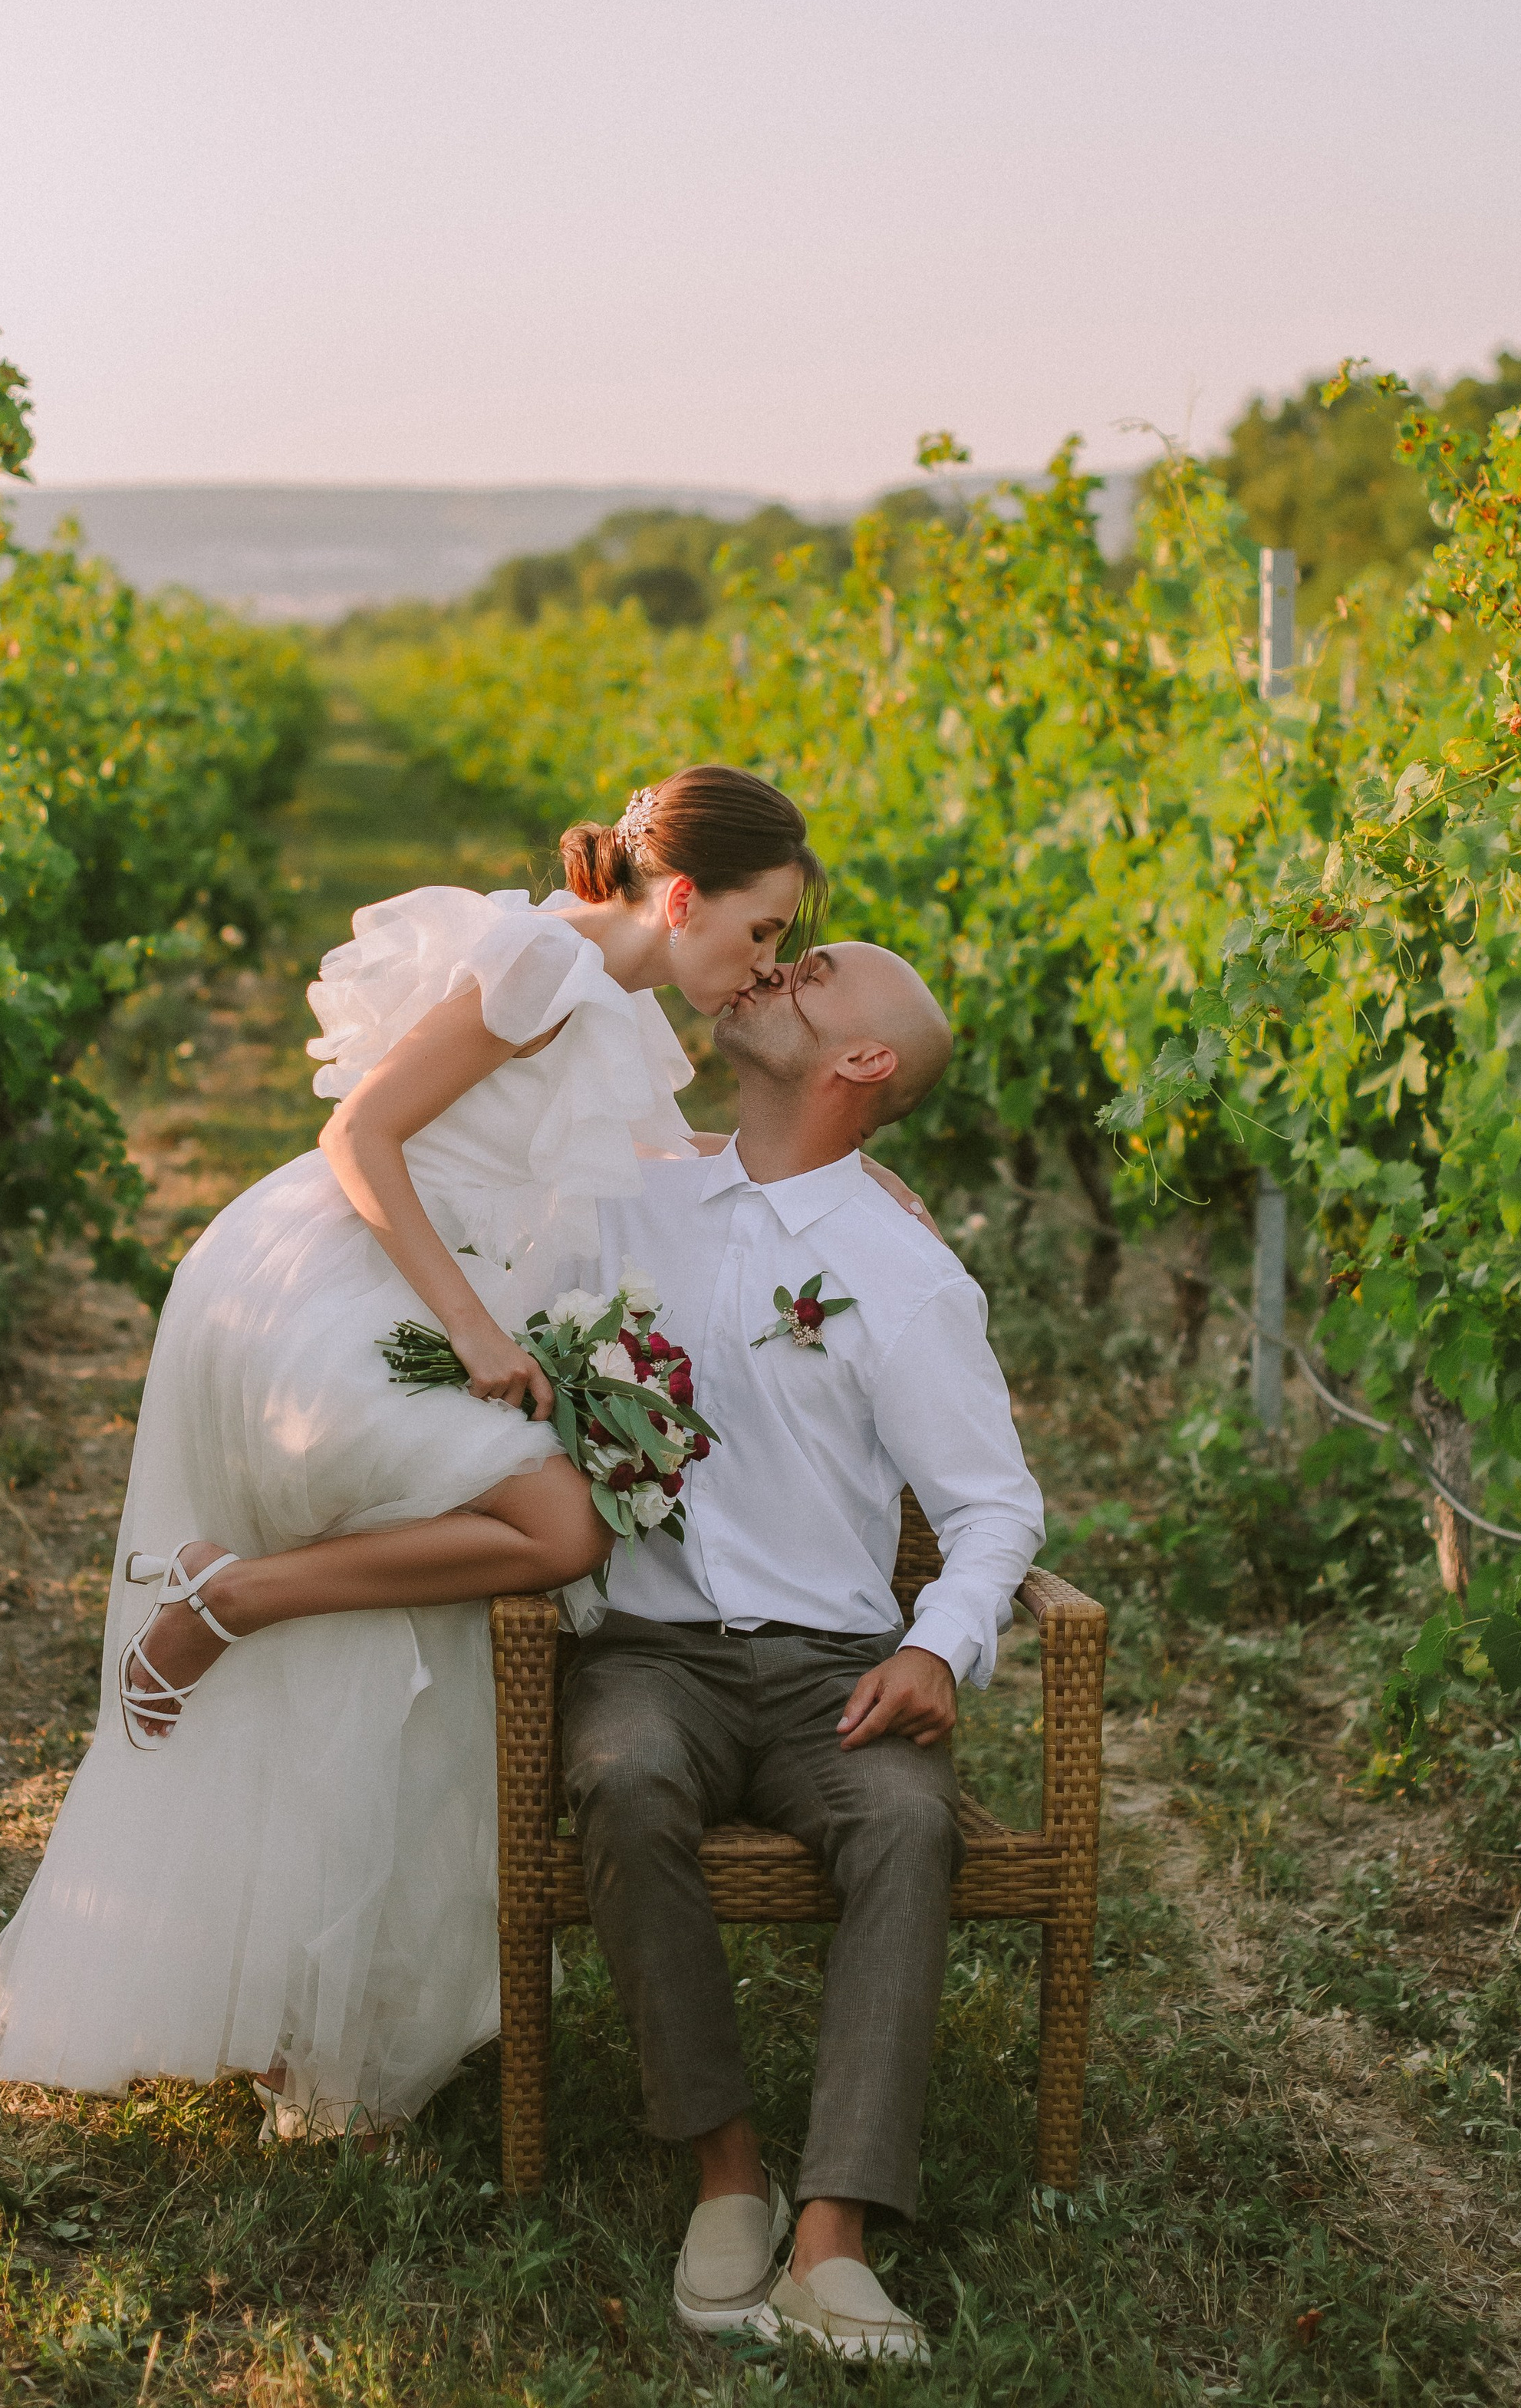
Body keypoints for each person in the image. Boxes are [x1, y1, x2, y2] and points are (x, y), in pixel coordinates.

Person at [0, 766, 836, 2134]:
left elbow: (656, 1164)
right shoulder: (546, 961)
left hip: (408, 1291)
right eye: (763, 930)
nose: (763, 964)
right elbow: (359, 1131)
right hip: (336, 1287)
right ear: (682, 897)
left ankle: (312, 2002)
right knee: (561, 1530)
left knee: (427, 1637)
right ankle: (227, 1595)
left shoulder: (605, 993)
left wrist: (835, 1172)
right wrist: (479, 1330)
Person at [571, 940, 1045, 2364]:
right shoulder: (626, 1200)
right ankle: (728, 2171)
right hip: (649, 1652)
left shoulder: (901, 1274)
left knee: (909, 1825)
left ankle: (833, 2238)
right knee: (623, 1777)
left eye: (819, 974)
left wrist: (941, 1652)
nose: (783, 967)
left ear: (863, 1065)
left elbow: (993, 1507)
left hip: (833, 1669)